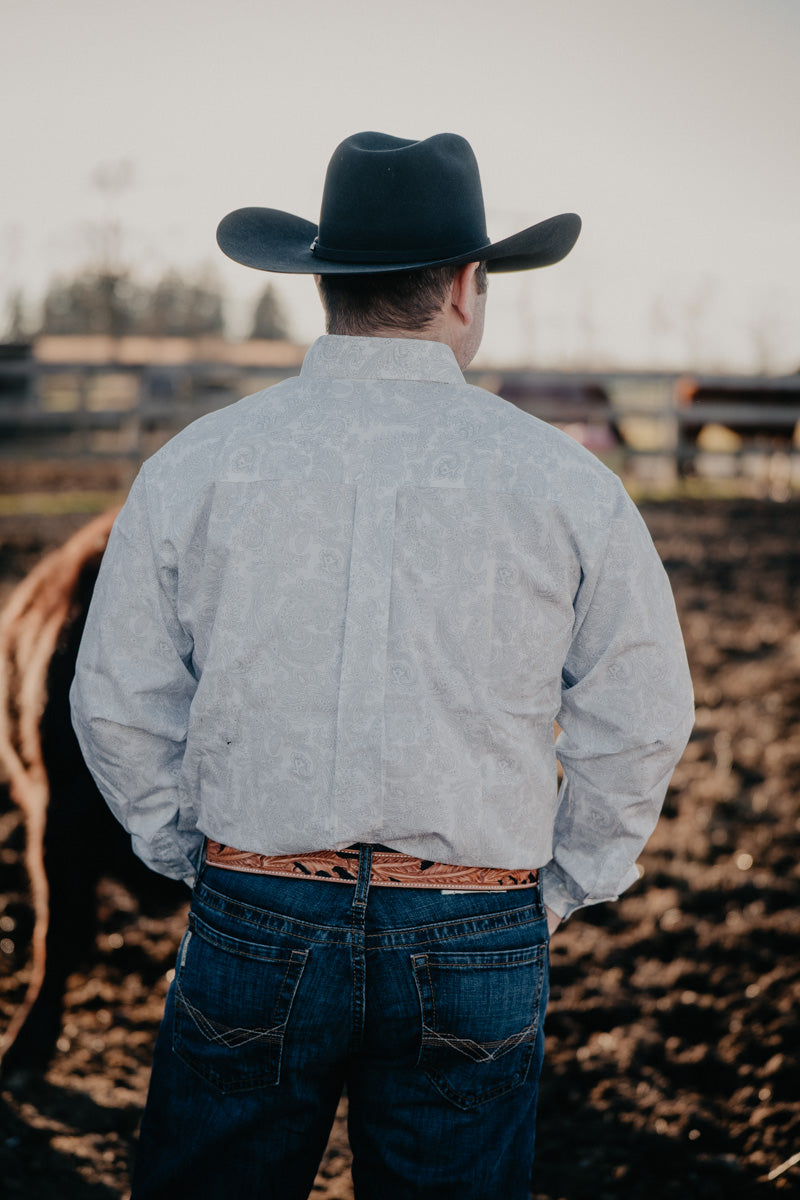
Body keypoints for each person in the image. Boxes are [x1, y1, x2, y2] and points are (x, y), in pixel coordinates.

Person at [70, 131, 694, 1199]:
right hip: (475, 919)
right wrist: (556, 888)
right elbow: (639, 716)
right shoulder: (565, 481)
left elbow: (118, 700)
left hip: (256, 900)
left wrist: (196, 854)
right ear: (465, 286)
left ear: (323, 289)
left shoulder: (200, 464)